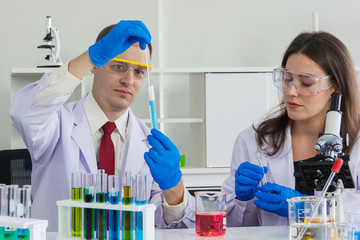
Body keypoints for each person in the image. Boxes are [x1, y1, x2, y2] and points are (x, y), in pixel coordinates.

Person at [10, 20, 194, 231]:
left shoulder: (150, 145)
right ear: (95, 65)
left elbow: (170, 226)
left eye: (139, 72)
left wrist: (174, 186)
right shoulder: (57, 124)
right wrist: (89, 56)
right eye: (119, 66)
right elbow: (25, 113)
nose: (129, 80)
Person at [222, 31, 360, 226]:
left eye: (306, 83)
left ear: (335, 87)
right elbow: (237, 228)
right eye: (287, 79)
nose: (291, 92)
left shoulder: (356, 144)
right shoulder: (253, 141)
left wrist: (304, 208)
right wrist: (242, 200)